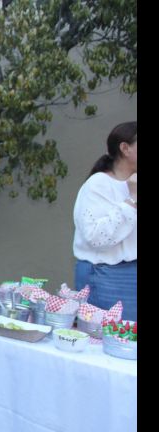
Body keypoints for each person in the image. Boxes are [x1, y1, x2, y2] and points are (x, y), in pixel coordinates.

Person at [73, 121, 137, 320]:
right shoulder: (98, 185)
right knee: (112, 343)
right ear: (125, 148)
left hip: (130, 272)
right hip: (107, 275)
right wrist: (132, 200)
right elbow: (97, 237)